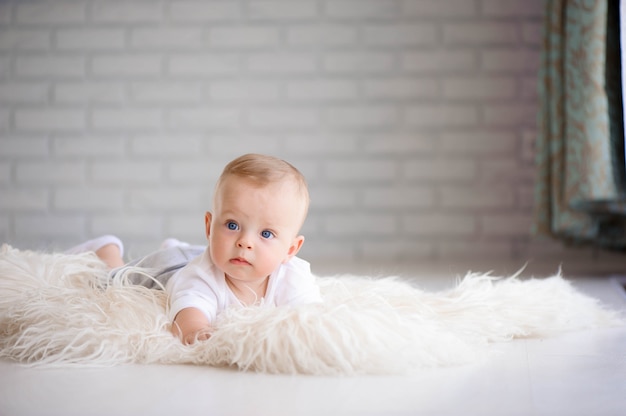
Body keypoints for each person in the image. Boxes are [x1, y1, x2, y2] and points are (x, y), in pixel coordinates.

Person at [65, 154, 322, 345]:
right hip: (170, 267)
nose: (245, 242)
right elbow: (189, 316)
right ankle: (107, 249)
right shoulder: (200, 278)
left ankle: (179, 246)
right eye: (232, 225)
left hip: (206, 253)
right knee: (114, 280)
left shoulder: (294, 277)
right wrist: (196, 332)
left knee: (201, 252)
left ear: (290, 249)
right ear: (210, 226)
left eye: (266, 234)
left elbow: (310, 318)